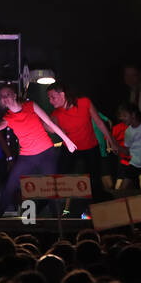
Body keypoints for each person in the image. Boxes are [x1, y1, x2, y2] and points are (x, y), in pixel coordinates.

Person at [0, 83, 76, 217]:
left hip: (46, 152)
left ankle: (56, 220)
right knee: (10, 186)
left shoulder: (30, 106)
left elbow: (51, 123)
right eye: (2, 96)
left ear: (14, 95)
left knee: (51, 187)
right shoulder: (8, 117)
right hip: (27, 156)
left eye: (7, 95)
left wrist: (67, 141)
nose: (5, 98)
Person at [46, 82, 117, 214]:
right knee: (60, 176)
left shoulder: (84, 102)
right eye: (49, 98)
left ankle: (101, 210)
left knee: (94, 183)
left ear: (62, 95)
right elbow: (50, 127)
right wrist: (44, 123)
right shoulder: (56, 113)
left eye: (52, 97)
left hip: (91, 147)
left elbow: (100, 123)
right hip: (71, 148)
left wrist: (112, 141)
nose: (50, 101)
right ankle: (57, 211)